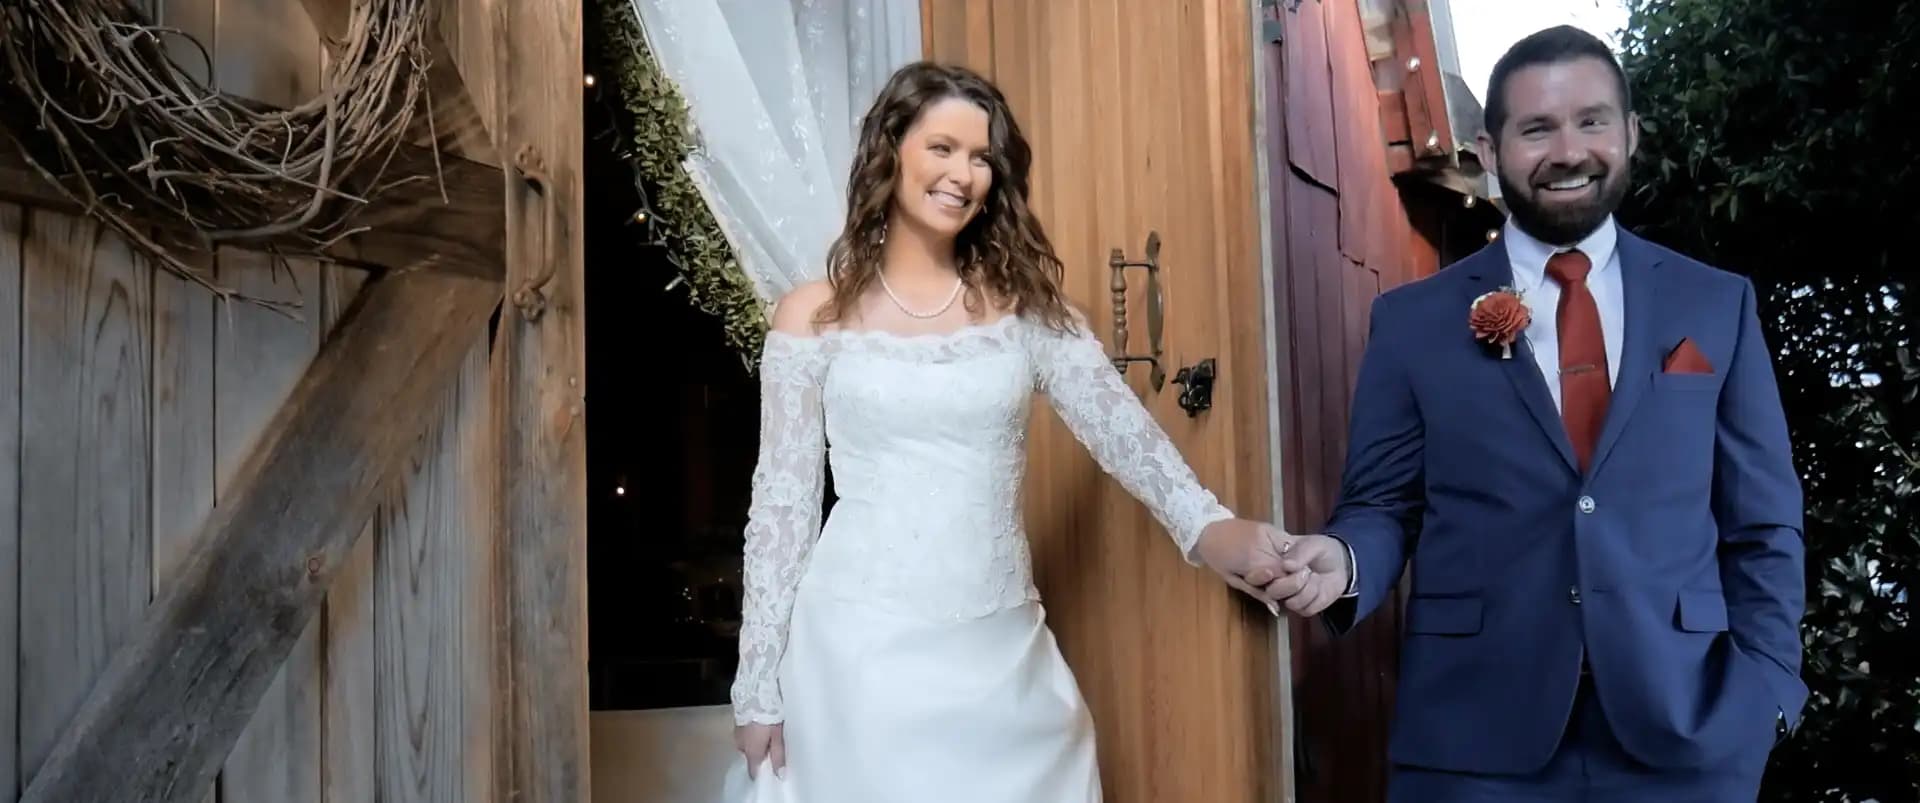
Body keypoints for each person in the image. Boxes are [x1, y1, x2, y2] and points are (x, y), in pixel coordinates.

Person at [720, 61, 1290, 802]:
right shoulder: (811, 315)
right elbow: (783, 507)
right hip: (855, 654)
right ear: (891, 150)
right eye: (943, 148)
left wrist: (1211, 529)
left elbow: (1121, 431)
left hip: (999, 652)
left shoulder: (1028, 312)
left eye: (983, 157)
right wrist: (757, 684)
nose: (965, 173)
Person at [1269, 25, 1806, 802]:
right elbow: (1384, 505)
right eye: (1537, 129)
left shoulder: (1717, 304)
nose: (1569, 151)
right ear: (1489, 150)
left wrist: (1768, 692)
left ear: (1630, 134)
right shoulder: (1412, 321)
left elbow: (1764, 521)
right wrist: (1345, 560)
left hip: (1690, 739)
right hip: (1472, 743)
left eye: (1592, 121)